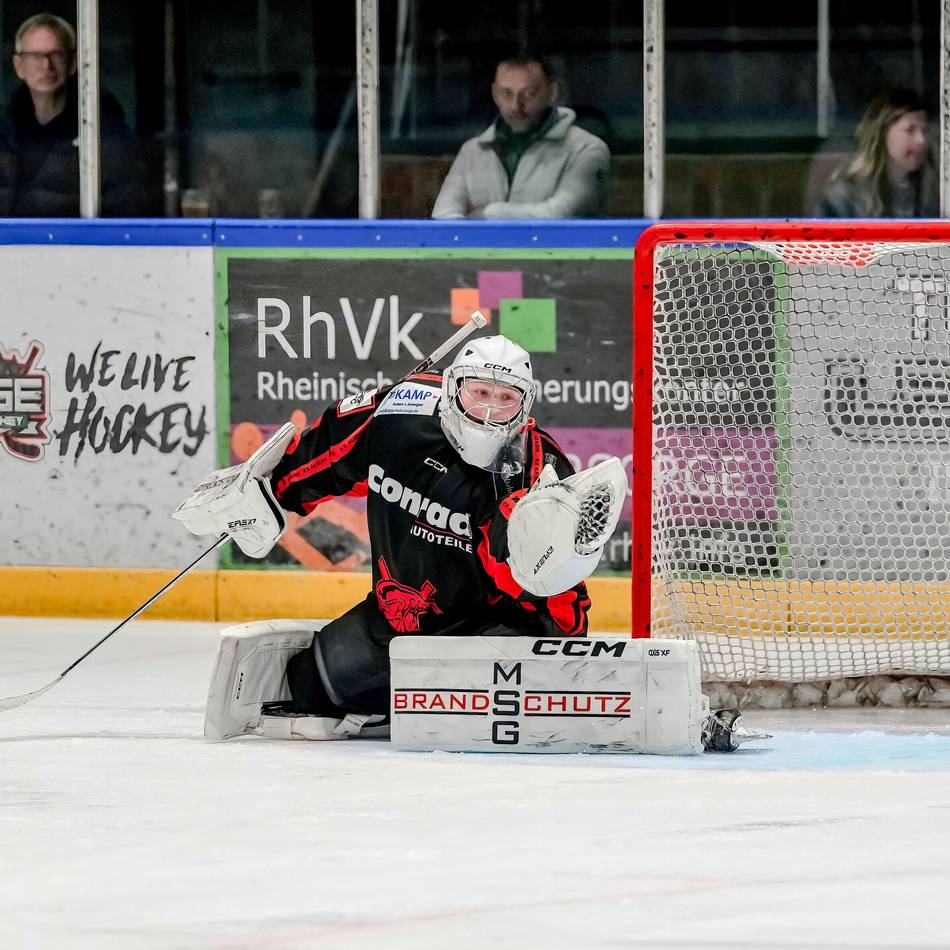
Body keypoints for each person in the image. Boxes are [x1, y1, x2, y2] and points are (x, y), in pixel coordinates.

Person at [173, 333, 762, 753]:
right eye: (479, 392)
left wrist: (553, 628)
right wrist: (266, 493)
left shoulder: (536, 470)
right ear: (452, 388)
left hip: (504, 627)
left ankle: (457, 694)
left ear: (525, 405)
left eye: (506, 399)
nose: (490, 409)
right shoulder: (396, 413)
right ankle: (396, 697)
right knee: (311, 686)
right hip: (401, 619)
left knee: (495, 698)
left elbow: (527, 580)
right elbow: (322, 457)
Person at [431, 49, 610, 219]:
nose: (516, 106)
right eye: (506, 94)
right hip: (478, 253)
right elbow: (443, 216)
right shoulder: (472, 151)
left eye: (529, 94)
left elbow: (559, 214)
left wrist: (489, 213)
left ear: (552, 92)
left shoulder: (587, 149)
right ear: (494, 93)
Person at [0, 13, 147, 216]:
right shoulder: (5, 131)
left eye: (57, 55)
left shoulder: (102, 131)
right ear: (18, 65)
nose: (46, 66)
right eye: (34, 56)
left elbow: (127, 205)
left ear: (73, 62)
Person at [813, 89, 938, 218]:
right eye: (910, 130)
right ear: (882, 134)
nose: (921, 140)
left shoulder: (930, 192)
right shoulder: (845, 199)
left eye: (925, 130)